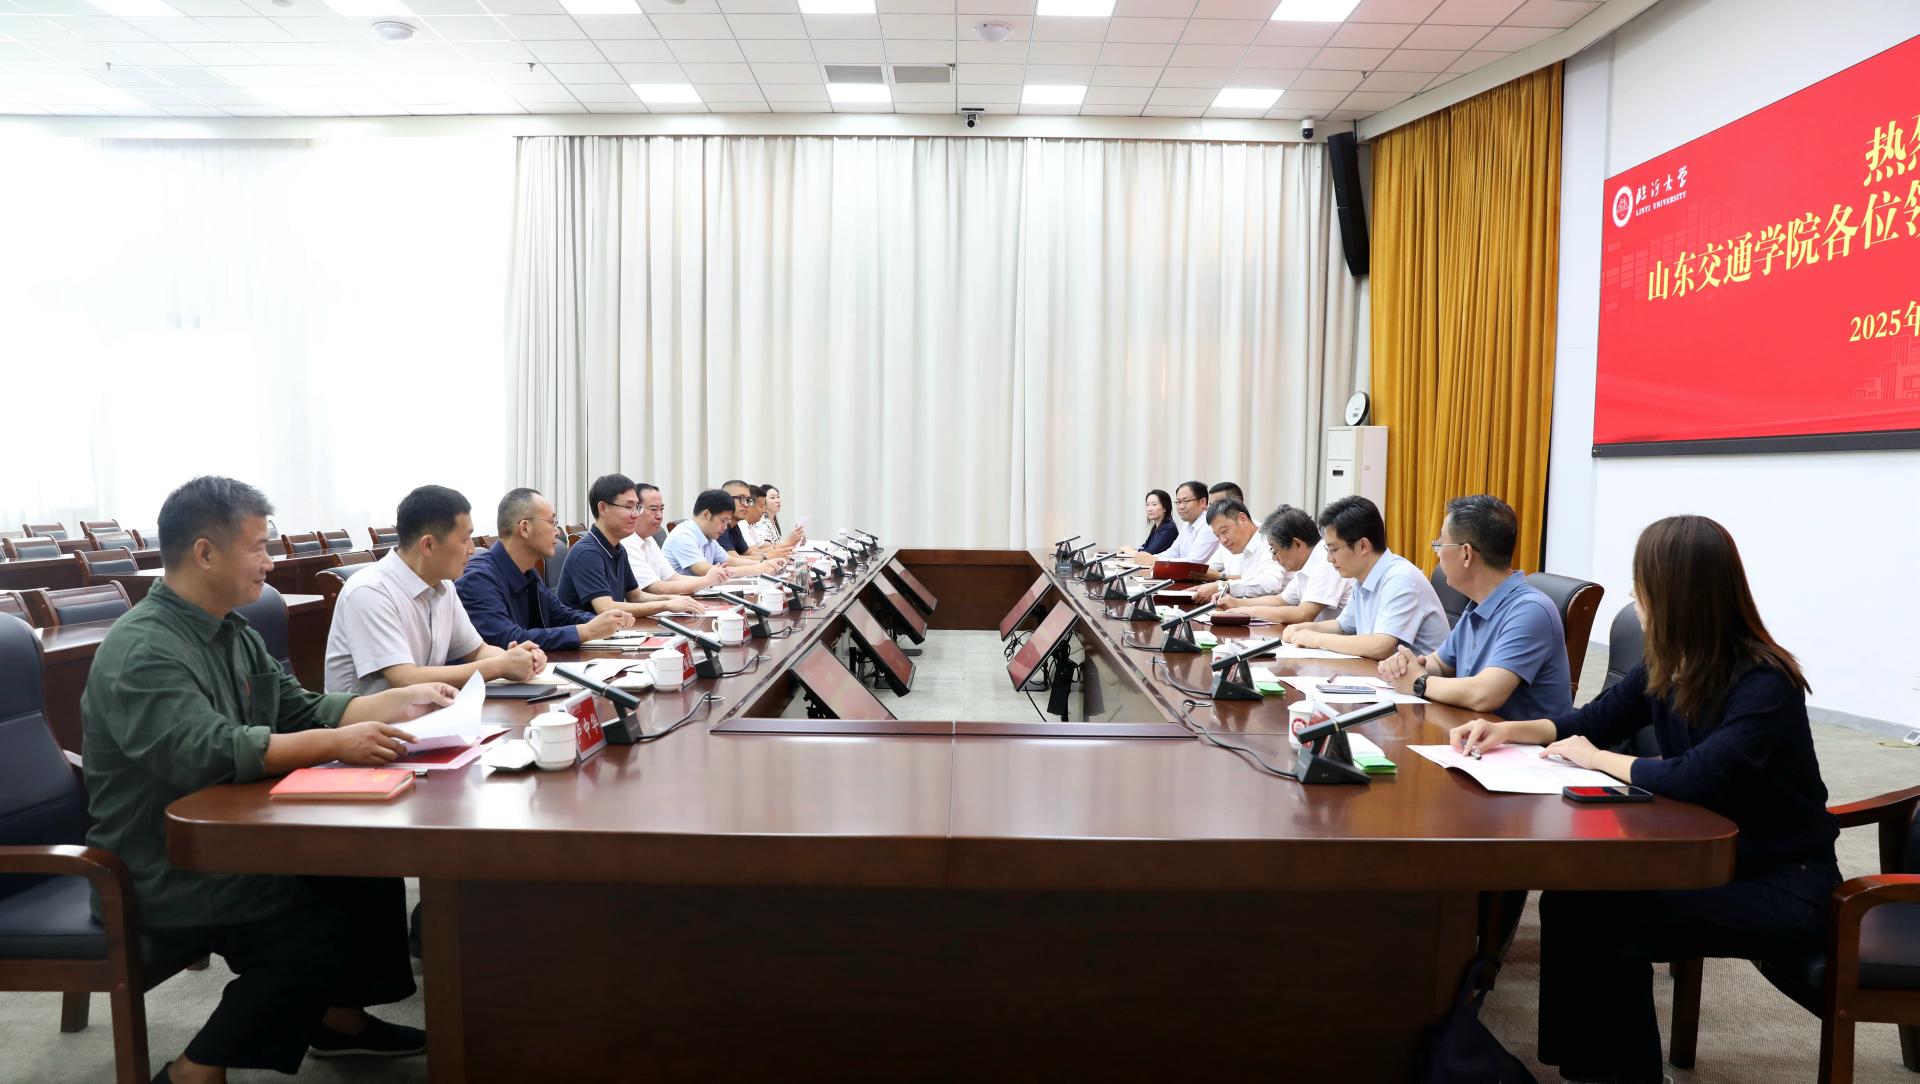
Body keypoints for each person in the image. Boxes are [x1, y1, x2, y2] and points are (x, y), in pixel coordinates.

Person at [81, 476, 456, 1084]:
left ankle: (337, 1020)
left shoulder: (234, 631)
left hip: (239, 829)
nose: (271, 561)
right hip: (165, 860)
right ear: (205, 552)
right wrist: (337, 742)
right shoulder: (143, 648)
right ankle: (193, 1071)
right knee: (316, 928)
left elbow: (297, 708)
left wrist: (394, 702)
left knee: (366, 869)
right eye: (258, 547)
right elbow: (206, 752)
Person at [1449, 515, 1837, 1084]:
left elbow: (1696, 777)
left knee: (1611, 921)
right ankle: (1585, 1066)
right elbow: (1588, 722)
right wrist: (1507, 731)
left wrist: (1598, 760)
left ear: (1678, 595)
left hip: (1783, 881)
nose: (1635, 600)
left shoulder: (1763, 681)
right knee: (1572, 897)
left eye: (1642, 589)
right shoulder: (1669, 661)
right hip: (1705, 858)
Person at [324, 484, 545, 695]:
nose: (472, 549)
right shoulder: (370, 591)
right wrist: (500, 666)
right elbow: (405, 678)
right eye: (465, 539)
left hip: (425, 713)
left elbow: (477, 651)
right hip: (370, 720)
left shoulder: (444, 586)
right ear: (428, 545)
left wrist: (520, 658)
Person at [1378, 494, 1572, 719]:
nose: (1438, 553)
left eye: (1440, 544)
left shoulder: (1531, 611)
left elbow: (1484, 694)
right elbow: (1440, 663)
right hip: (1475, 731)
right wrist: (1405, 665)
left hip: (1522, 740)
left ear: (1466, 554)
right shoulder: (1477, 605)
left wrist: (1419, 682)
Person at [455, 488, 634, 651]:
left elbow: (559, 614)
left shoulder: (528, 572)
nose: (557, 532)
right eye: (552, 523)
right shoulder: (477, 579)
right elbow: (509, 640)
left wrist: (605, 621)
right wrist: (586, 631)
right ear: (525, 528)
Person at [1282, 495, 1447, 659]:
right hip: (1381, 671)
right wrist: (1304, 628)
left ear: (1363, 546)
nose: (1329, 559)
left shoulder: (1401, 579)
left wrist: (1316, 639)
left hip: (1422, 675)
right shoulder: (1363, 578)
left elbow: (1381, 646)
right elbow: (1342, 626)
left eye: (1334, 549)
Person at [556, 474, 706, 620]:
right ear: (603, 508)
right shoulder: (587, 553)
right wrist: (665, 605)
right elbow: (606, 608)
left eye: (637, 507)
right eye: (628, 507)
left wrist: (672, 599)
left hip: (612, 631)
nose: (635, 515)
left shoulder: (619, 548)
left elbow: (636, 596)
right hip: (583, 635)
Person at [1216, 504, 1352, 625]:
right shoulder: (1307, 562)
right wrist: (1237, 603)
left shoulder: (1325, 561)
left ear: (1297, 544)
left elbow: (1303, 614)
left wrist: (1248, 611)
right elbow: (1281, 600)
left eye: (1275, 550)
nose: (1274, 558)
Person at [623, 483, 730, 597]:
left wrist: (710, 580)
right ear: (635, 510)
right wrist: (707, 581)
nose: (659, 516)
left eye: (661, 509)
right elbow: (656, 588)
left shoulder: (649, 539)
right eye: (653, 509)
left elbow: (673, 578)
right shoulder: (627, 542)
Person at [662, 488, 784, 577]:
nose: (725, 527)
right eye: (723, 521)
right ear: (706, 514)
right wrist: (757, 569)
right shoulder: (684, 535)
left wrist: (766, 563)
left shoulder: (708, 537)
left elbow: (731, 561)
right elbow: (707, 571)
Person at [1191, 499, 1285, 603]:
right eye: (1217, 536)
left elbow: (1271, 583)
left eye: (1224, 531)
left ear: (1242, 519)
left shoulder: (1269, 540)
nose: (1223, 540)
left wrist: (1223, 586)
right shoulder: (1244, 544)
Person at [1130, 480, 1218, 566]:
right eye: (1178, 502)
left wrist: (1155, 560)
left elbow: (1194, 562)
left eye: (1185, 501)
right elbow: (1174, 551)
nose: (1181, 506)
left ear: (1202, 502)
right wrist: (1151, 559)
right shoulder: (1186, 525)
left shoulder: (1209, 525)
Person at [1136, 489, 1178, 555]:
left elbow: (1149, 553)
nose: (1149, 509)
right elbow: (1145, 546)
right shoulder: (1157, 526)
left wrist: (1128, 550)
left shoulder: (1169, 528)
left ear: (1165, 508)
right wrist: (1133, 550)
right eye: (1147, 505)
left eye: (1154, 504)